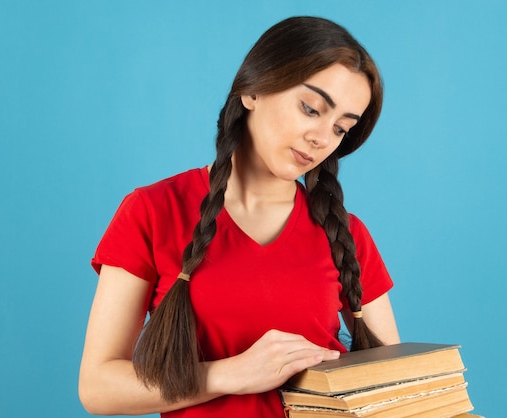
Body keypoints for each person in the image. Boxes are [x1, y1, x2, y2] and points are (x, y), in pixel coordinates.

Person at [79, 16, 400, 417]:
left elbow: (397, 387)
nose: (321, 138)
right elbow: (98, 388)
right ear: (253, 90)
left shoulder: (347, 235)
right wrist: (230, 374)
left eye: (341, 128)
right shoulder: (152, 211)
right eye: (311, 108)